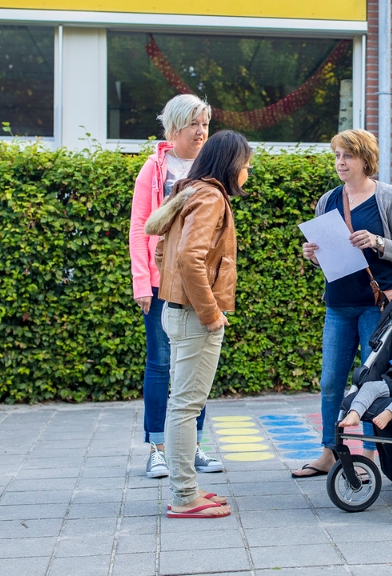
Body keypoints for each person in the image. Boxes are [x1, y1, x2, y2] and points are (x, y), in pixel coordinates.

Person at [292, 129, 392, 478]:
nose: (340, 163)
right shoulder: (327, 200)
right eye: (336, 156)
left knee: (369, 381)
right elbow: (327, 256)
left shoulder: (388, 197)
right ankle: (329, 451)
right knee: (331, 381)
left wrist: (378, 241)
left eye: (346, 155)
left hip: (377, 306)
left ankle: (369, 455)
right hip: (338, 305)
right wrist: (313, 255)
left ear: (365, 159)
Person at [143, 130, 251, 518]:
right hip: (193, 316)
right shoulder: (210, 197)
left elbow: (162, 254)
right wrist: (210, 312)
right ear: (230, 164)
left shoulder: (190, 192)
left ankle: (187, 487)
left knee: (182, 405)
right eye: (245, 164)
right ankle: (185, 496)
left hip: (176, 311)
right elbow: (190, 258)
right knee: (186, 408)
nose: (248, 171)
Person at [129, 94, 222, 479]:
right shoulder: (154, 168)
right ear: (174, 127)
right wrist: (141, 283)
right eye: (193, 125)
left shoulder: (209, 167)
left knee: (197, 368)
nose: (201, 132)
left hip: (199, 285)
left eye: (205, 124)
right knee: (161, 364)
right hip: (160, 283)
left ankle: (192, 445)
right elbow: (139, 227)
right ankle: (157, 449)